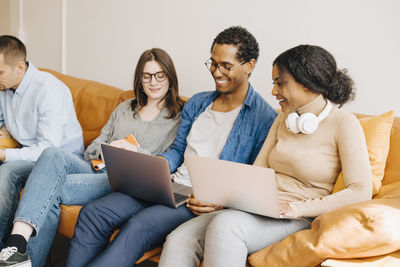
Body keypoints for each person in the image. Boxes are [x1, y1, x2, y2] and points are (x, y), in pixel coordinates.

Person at [66, 26, 277, 267]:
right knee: (94, 213)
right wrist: (156, 167)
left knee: (139, 225)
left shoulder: (264, 119)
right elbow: (178, 150)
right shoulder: (199, 103)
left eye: (226, 66)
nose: (216, 72)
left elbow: (252, 176)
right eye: (213, 63)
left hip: (200, 199)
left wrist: (221, 200)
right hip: (170, 184)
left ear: (249, 65)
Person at [158, 44, 373, 267]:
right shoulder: (283, 119)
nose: (273, 92)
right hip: (258, 209)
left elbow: (360, 190)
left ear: (309, 83)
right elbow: (256, 173)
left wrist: (295, 209)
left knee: (226, 226)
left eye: (280, 83)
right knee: (178, 239)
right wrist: (222, 201)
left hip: (297, 216)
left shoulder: (344, 123)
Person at [0, 48, 185, 267]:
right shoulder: (126, 108)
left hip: (123, 182)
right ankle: (18, 244)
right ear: (140, 80)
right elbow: (94, 146)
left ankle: (19, 253)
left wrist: (134, 152)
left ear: (170, 78)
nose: (153, 82)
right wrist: (109, 149)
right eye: (146, 76)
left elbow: (169, 163)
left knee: (48, 189)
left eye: (159, 75)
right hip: (97, 166)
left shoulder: (179, 117)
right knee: (52, 154)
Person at [0, 35, 84, 248]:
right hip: (28, 152)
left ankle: (5, 250)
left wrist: (5, 154)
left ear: (20, 67)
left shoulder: (48, 90)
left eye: (0, 72)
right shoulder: (5, 87)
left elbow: (48, 149)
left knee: (7, 171)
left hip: (59, 162)